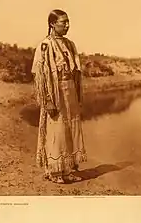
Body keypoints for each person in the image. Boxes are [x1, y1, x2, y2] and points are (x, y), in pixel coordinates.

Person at [31, 9, 87, 184]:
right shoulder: (45, 45)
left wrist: (77, 95)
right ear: (52, 24)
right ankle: (55, 172)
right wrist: (47, 100)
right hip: (55, 93)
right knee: (57, 130)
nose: (67, 25)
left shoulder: (70, 44)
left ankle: (68, 169)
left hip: (70, 91)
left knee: (70, 129)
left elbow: (76, 72)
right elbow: (39, 75)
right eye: (63, 22)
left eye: (68, 22)